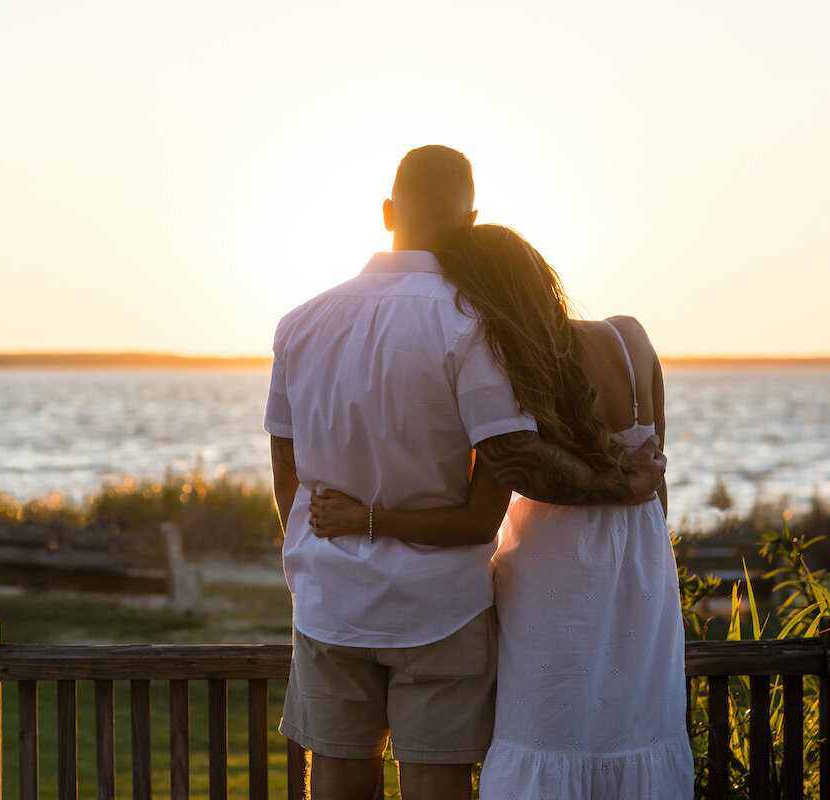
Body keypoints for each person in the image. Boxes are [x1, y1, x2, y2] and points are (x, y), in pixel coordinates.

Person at [264, 146, 666, 800]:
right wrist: (622, 485)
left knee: (336, 774)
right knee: (434, 780)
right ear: (470, 217)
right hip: (440, 605)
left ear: (389, 211)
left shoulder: (299, 323)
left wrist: (314, 552)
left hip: (330, 601)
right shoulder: (469, 324)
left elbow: (287, 467)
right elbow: (511, 458)